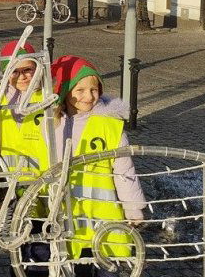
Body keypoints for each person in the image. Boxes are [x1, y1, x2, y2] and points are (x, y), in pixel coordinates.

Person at [50, 55, 146, 277]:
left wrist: (133, 207)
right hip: (68, 215)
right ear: (65, 92)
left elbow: (124, 169)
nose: (88, 96)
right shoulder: (52, 124)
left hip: (104, 213)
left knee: (107, 267)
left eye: (94, 90)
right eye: (80, 90)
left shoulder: (110, 125)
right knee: (73, 266)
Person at [0, 41, 53, 276]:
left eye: (28, 69)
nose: (23, 76)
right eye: (15, 71)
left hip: (42, 189)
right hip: (11, 190)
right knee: (16, 249)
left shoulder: (48, 100)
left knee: (41, 250)